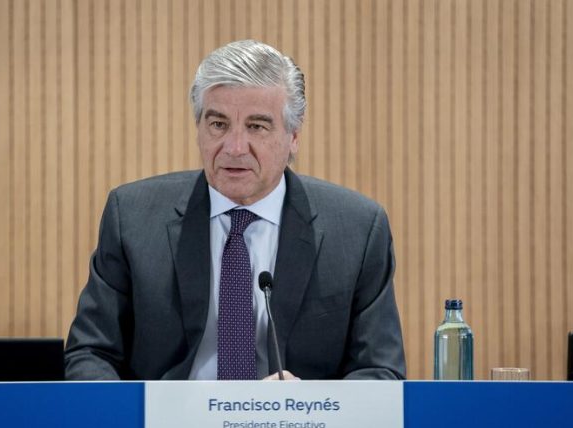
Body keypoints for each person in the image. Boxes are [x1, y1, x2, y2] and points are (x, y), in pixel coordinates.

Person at [64, 40, 406, 381]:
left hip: (295, 417)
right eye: (218, 124)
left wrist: (307, 405)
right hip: (167, 415)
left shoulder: (357, 230)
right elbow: (91, 352)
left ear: (293, 135)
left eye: (257, 126)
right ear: (198, 128)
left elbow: (379, 370)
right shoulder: (133, 217)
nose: (235, 147)